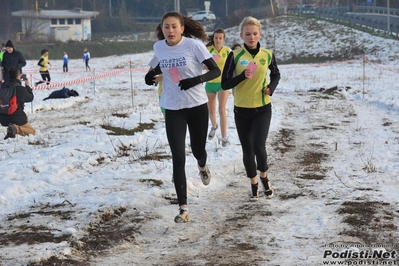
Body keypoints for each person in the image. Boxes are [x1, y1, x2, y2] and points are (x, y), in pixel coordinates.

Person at [144, 11, 220, 223]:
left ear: (182, 28)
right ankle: (183, 209)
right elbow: (155, 68)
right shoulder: (159, 47)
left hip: (196, 106)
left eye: (174, 26)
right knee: (177, 156)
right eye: (166, 27)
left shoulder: (193, 46)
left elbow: (215, 72)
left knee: (197, 150)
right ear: (162, 29)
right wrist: (148, 78)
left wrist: (195, 80)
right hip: (173, 108)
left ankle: (203, 166)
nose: (170, 31)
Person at [221, 16, 281, 201]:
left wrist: (271, 88)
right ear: (241, 35)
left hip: (262, 108)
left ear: (259, 34)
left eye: (255, 33)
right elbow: (225, 83)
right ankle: (253, 183)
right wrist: (242, 77)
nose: (251, 37)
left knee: (259, 146)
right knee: (247, 151)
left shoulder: (267, 54)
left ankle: (264, 177)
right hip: (242, 110)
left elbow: (276, 74)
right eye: (247, 34)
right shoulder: (235, 56)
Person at [205, 28, 231, 147]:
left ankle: (224, 137)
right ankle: (214, 126)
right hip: (210, 83)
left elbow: (233, 67)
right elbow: (202, 65)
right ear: (213, 38)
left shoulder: (228, 51)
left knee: (221, 109)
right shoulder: (208, 50)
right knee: (211, 110)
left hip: (223, 83)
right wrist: (205, 67)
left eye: (220, 38)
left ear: (223, 39)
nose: (218, 40)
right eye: (216, 38)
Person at [1, 67, 35, 140]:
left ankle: (11, 128)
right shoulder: (20, 89)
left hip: (3, 118)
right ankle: (16, 129)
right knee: (32, 131)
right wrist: (27, 86)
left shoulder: (2, 86)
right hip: (16, 117)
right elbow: (30, 98)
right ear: (18, 76)